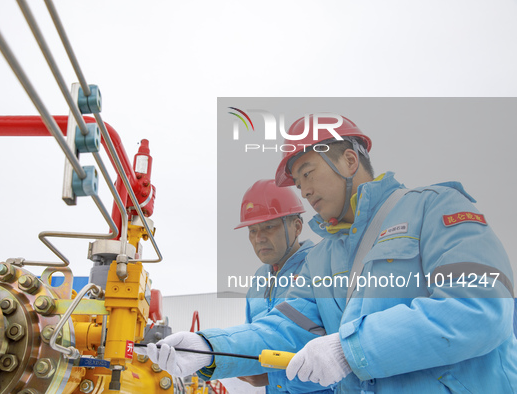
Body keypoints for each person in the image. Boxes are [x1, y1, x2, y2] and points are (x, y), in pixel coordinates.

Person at [139, 114, 517, 392]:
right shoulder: (322, 260)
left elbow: (480, 308)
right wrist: (209, 348)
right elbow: (285, 330)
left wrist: (350, 349)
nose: (303, 190)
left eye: (308, 172)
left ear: (350, 161)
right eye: (298, 180)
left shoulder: (433, 209)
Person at [227, 179, 326, 393]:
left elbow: (340, 358)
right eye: (252, 230)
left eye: (269, 227)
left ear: (297, 226)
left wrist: (274, 378)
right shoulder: (259, 280)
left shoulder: (322, 265)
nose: (259, 238)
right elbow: (252, 338)